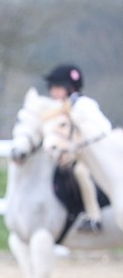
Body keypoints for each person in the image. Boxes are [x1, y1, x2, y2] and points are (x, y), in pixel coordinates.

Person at [45, 63, 110, 232]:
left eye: (56, 87)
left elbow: (104, 130)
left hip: (94, 155)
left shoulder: (84, 105)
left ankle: (94, 217)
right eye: (51, 87)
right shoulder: (61, 109)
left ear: (69, 87)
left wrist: (76, 150)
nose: (52, 92)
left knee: (80, 171)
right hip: (75, 155)